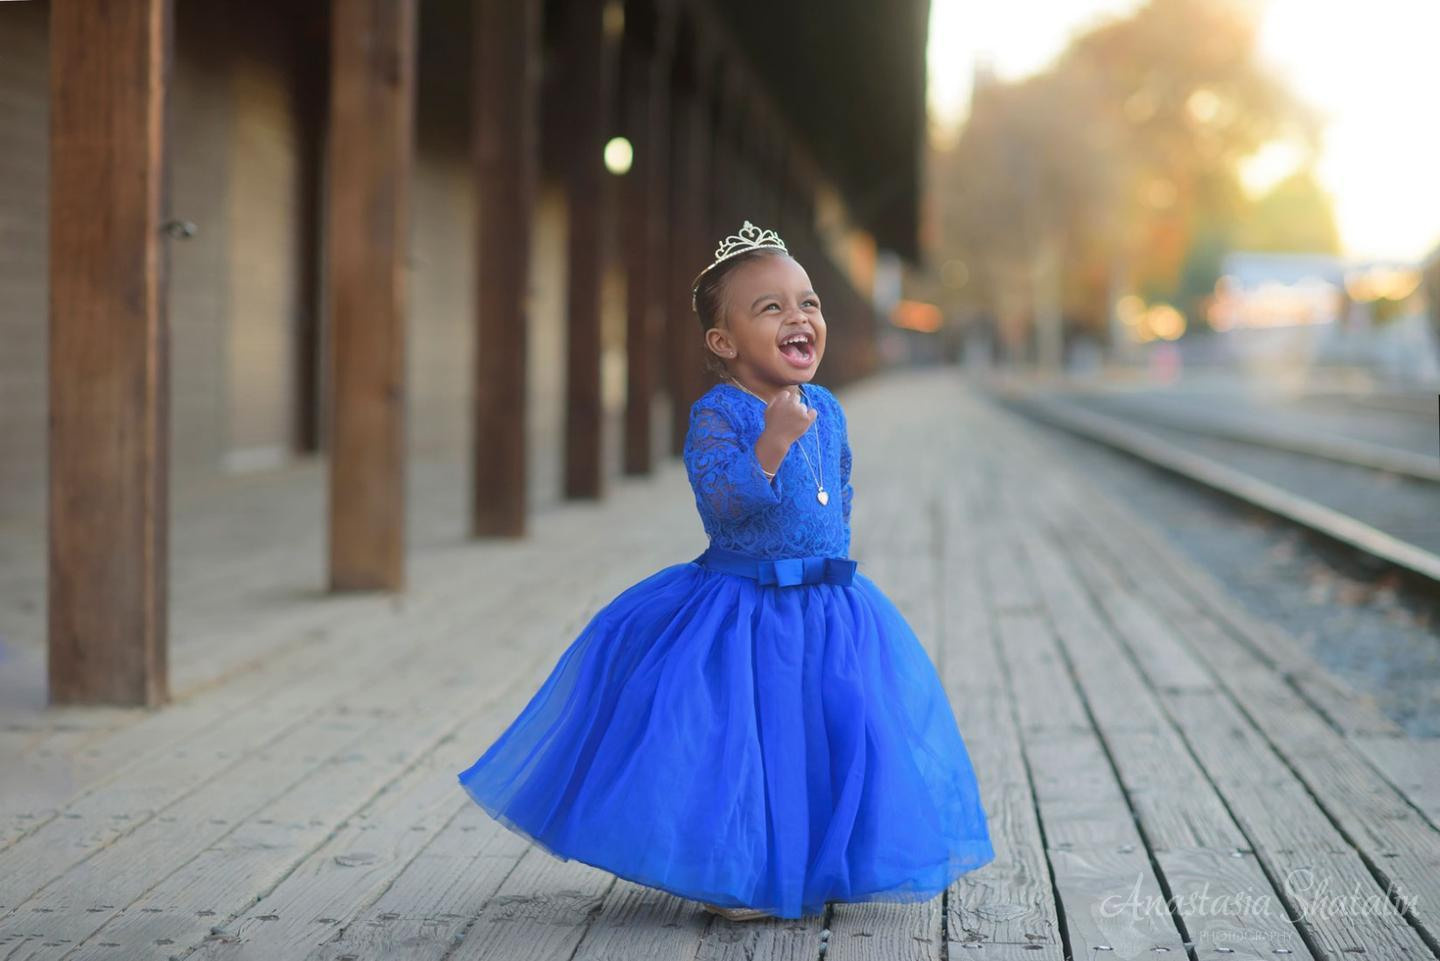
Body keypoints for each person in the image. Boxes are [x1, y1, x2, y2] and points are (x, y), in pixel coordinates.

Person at [456, 220, 995, 922]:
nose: (799, 317)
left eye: (808, 303)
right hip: (744, 606)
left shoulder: (828, 408)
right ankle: (742, 872)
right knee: (747, 743)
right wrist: (769, 445)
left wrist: (832, 548)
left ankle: (818, 860)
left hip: (829, 604)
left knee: (833, 729)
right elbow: (724, 498)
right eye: (771, 308)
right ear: (724, 341)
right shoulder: (720, 414)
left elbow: (840, 488)